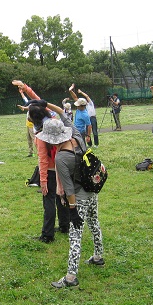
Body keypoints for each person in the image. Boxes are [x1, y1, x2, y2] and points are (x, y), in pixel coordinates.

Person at [31, 103, 104, 289]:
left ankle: (71, 277)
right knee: (94, 222)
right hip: (92, 189)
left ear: (51, 139)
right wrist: (46, 104)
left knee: (75, 236)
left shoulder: (61, 158)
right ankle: (98, 256)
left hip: (78, 196)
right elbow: (63, 113)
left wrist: (72, 211)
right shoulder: (76, 135)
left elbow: (69, 189)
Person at [12, 80, 69, 242]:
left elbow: (43, 160)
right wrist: (26, 88)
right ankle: (65, 225)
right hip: (63, 167)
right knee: (61, 196)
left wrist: (42, 181)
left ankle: (47, 235)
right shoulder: (53, 118)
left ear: (34, 120)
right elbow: (40, 101)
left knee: (49, 200)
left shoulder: (41, 136)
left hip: (51, 171)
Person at [18, 87, 37, 157]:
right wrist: (21, 93)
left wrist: (23, 107)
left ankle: (39, 152)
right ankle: (31, 152)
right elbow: (25, 99)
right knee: (29, 140)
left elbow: (28, 107)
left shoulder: (34, 107)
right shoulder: (30, 104)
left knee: (34, 139)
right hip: (28, 125)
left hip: (32, 125)